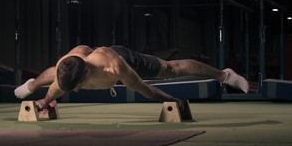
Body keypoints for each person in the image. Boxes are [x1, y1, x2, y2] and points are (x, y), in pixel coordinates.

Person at [14, 45, 249, 110]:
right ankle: (31, 85)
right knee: (52, 78)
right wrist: (44, 102)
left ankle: (225, 75)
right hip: (86, 56)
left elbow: (144, 88)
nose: (76, 91)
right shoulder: (66, 65)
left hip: (124, 56)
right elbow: (58, 86)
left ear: (87, 73)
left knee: (172, 68)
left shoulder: (116, 68)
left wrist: (171, 102)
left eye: (79, 86)